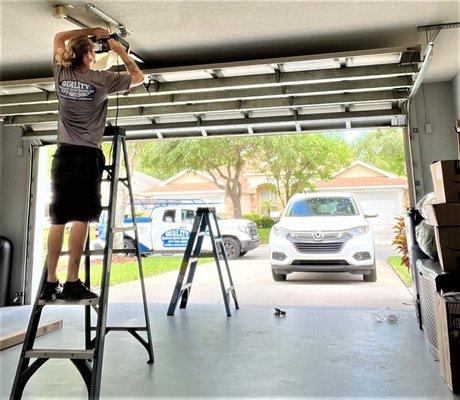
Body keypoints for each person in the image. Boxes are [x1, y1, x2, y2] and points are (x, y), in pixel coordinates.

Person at [40, 27, 144, 301]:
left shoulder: (61, 73)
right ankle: (72, 281)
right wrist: (118, 49)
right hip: (87, 156)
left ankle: (50, 282)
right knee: (81, 219)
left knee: (58, 220)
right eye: (92, 51)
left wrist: (91, 31)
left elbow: (58, 37)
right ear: (88, 56)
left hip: (63, 156)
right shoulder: (102, 79)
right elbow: (137, 77)